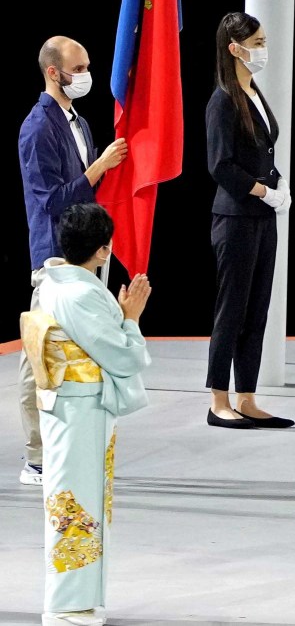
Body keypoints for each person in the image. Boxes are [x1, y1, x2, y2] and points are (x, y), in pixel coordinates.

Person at [22, 202, 151, 626]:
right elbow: (124, 358)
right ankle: (66, 604)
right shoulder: (79, 293)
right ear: (102, 250)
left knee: (79, 499)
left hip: (73, 405)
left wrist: (116, 316)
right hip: (78, 408)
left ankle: (77, 599)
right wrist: (130, 319)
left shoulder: (52, 282)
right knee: (74, 502)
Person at [18, 37, 128, 486]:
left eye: (87, 66)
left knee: (84, 352)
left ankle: (76, 446)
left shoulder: (77, 122)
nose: (85, 75)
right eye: (77, 68)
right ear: (52, 72)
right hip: (56, 259)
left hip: (87, 254)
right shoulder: (37, 128)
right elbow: (49, 202)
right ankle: (35, 458)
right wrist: (99, 166)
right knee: (40, 358)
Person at [204, 11, 293, 430]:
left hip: (262, 215)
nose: (262, 49)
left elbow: (262, 151)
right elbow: (221, 166)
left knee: (258, 307)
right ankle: (218, 398)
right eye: (255, 42)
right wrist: (262, 190)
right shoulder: (222, 99)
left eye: (262, 40)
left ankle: (247, 395)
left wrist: (279, 184)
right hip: (236, 216)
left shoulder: (252, 91)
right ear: (233, 48)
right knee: (232, 309)